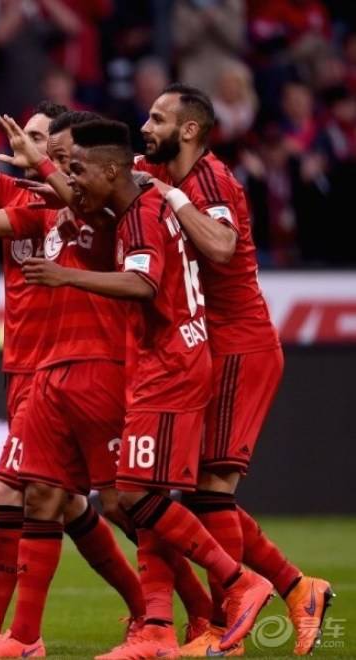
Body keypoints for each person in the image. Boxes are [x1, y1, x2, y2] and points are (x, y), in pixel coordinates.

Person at [0, 47, 208, 657]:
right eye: (30, 137)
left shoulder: (99, 206)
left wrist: (50, 173)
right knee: (55, 500)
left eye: (43, 139)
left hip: (94, 367)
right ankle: (36, 630)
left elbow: (125, 249)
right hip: (32, 368)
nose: (28, 144)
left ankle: (196, 603)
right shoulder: (26, 200)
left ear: (71, 151)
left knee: (113, 502)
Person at [22, 119, 273, 658]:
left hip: (171, 365)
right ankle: (158, 628)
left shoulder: (141, 215)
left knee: (136, 496)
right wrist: (55, 184)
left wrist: (65, 275)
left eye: (78, 169)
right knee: (142, 498)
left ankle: (240, 582)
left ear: (113, 170)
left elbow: (143, 283)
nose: (72, 178)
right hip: (164, 360)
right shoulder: (138, 205)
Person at [137, 83, 333, 656]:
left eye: (157, 118)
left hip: (239, 347)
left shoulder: (210, 180)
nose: (145, 127)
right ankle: (296, 588)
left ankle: (227, 629)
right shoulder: (162, 172)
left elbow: (221, 246)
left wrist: (173, 200)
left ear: (189, 130)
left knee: (210, 490)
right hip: (205, 348)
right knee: (195, 492)